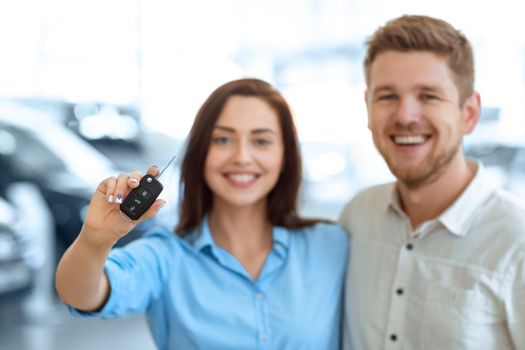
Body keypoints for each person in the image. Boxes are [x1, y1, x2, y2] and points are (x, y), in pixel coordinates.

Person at [55, 78, 348, 349]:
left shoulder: (331, 245)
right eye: (222, 140)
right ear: (200, 153)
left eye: (261, 141)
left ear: (285, 156)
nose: (242, 157)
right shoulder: (165, 256)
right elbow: (80, 294)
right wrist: (95, 240)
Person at [340, 15, 525, 349]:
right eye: (387, 97)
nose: (405, 115)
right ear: (367, 109)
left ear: (468, 114)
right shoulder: (356, 217)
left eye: (428, 96)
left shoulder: (516, 240)